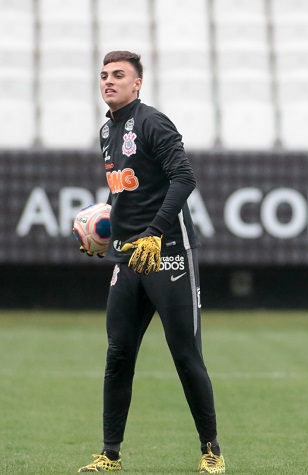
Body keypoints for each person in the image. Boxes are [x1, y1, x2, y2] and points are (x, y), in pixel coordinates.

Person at [77, 51, 225, 474]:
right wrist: (101, 226)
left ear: (137, 83)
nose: (108, 80)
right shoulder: (108, 130)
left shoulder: (152, 122)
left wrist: (155, 231)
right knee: (118, 353)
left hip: (169, 252)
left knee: (185, 353)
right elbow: (124, 192)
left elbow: (185, 178)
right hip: (128, 255)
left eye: (118, 75)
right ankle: (110, 455)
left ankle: (211, 450)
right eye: (104, 74)